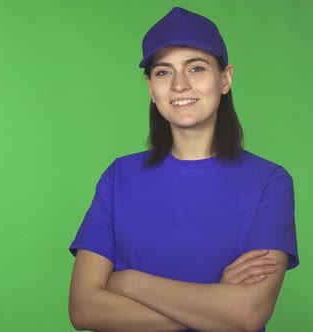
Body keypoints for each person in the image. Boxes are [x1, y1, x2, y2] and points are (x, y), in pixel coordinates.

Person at [68, 7, 299, 332]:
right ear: (150, 87)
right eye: (163, 72)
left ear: (225, 78)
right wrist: (216, 303)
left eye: (196, 68)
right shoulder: (119, 178)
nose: (179, 85)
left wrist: (129, 282)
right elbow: (84, 310)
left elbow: (248, 314)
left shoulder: (268, 183)